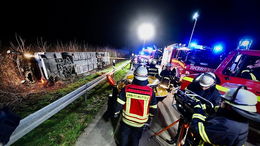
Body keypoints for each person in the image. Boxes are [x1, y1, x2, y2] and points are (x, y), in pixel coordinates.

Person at [189, 86, 260, 145]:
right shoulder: (237, 118)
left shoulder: (227, 126)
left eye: (223, 101)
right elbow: (220, 111)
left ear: (229, 107)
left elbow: (198, 130)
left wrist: (198, 110)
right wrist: (208, 107)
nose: (221, 103)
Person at [114, 66, 157, 146]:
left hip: (127, 120)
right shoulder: (150, 92)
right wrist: (150, 117)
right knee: (135, 139)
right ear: (146, 77)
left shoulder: (127, 88)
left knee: (124, 137)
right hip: (140, 122)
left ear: (134, 75)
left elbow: (119, 103)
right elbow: (153, 107)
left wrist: (116, 113)